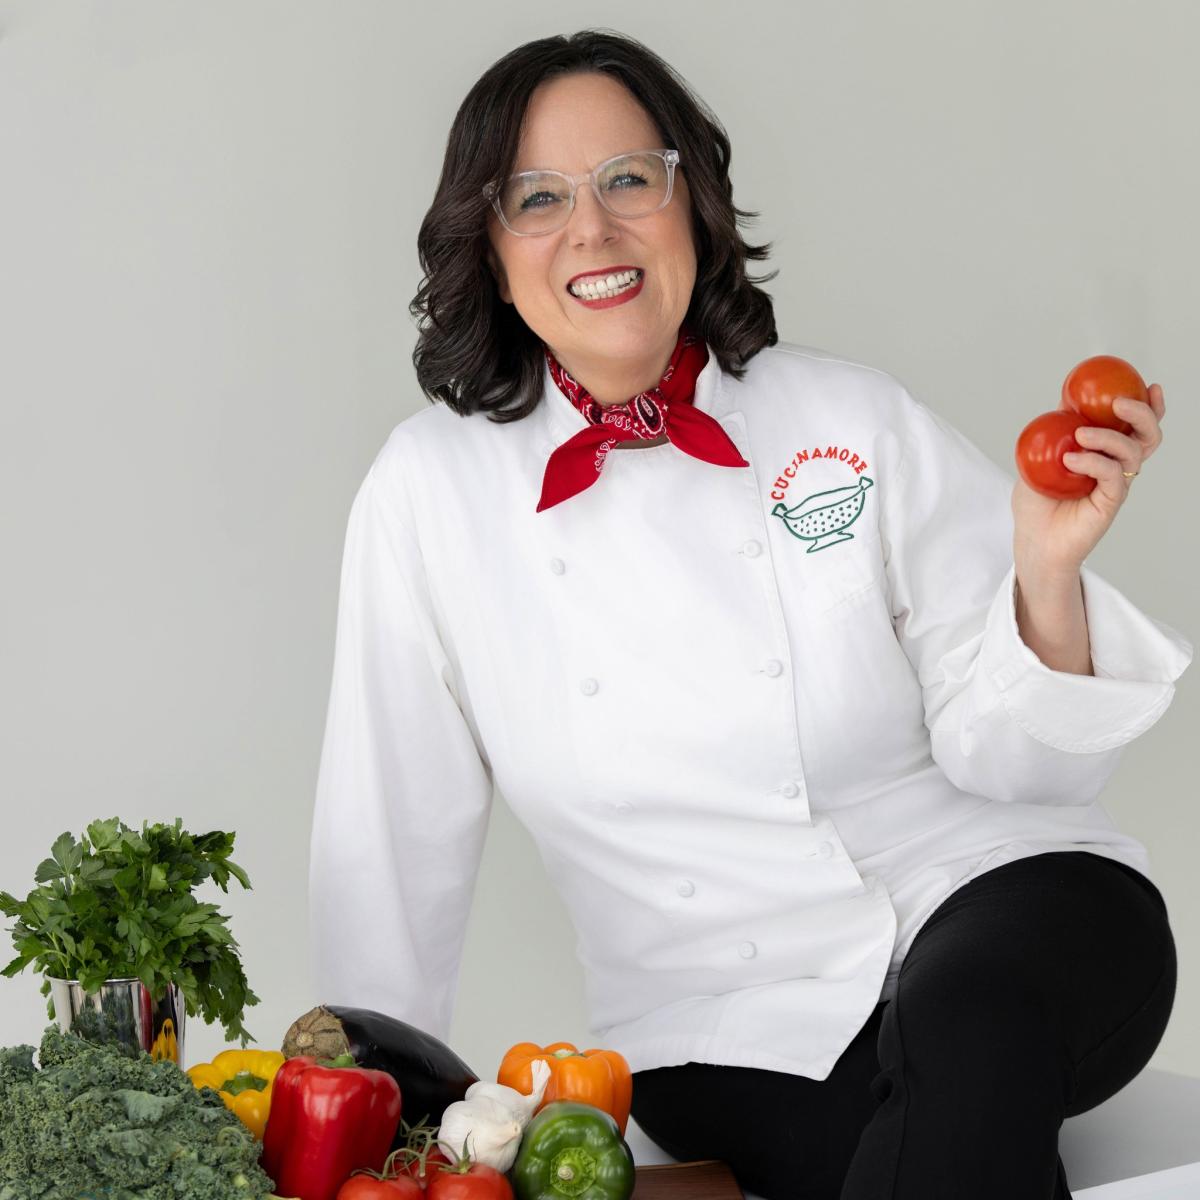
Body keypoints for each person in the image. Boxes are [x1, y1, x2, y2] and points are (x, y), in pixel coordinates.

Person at [308, 28, 1192, 1200]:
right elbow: (390, 829)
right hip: (721, 1011)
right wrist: (361, 1120)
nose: (593, 229)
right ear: (491, 247)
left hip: (996, 899)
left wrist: (1044, 572)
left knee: (971, 1030)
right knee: (930, 1137)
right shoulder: (429, 492)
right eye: (539, 197)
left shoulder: (848, 416)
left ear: (694, 206)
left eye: (630, 178)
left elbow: (1025, 771)